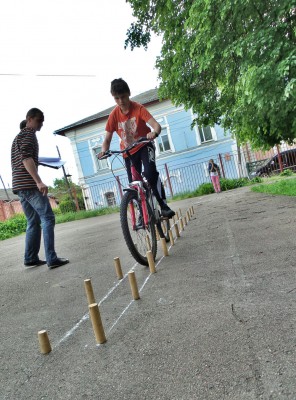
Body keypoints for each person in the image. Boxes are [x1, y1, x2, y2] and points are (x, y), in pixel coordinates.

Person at [99, 78, 175, 218]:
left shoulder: (138, 108)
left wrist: (154, 133)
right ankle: (142, 212)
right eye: (117, 98)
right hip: (128, 153)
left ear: (128, 93)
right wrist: (104, 151)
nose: (121, 101)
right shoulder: (114, 115)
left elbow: (156, 125)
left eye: (123, 97)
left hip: (145, 146)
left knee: (150, 174)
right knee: (134, 184)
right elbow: (107, 139)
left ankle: (162, 205)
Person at [11, 108, 69, 269]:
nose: (41, 124)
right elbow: (26, 158)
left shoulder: (18, 137)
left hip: (19, 185)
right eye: (38, 120)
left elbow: (24, 157)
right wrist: (38, 181)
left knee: (33, 221)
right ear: (29, 119)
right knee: (48, 218)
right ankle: (52, 258)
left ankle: (30, 257)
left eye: (42, 121)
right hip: (29, 185)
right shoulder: (28, 134)